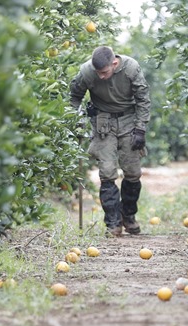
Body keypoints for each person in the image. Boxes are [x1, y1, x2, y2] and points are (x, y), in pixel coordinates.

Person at [70, 46, 151, 237]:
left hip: (128, 121)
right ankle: (113, 223)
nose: (101, 77)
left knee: (132, 172)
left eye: (104, 72)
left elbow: (143, 99)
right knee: (107, 172)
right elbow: (74, 96)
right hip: (102, 123)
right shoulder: (87, 72)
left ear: (114, 63)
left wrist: (140, 128)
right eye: (98, 73)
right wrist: (76, 120)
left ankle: (128, 217)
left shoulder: (131, 68)